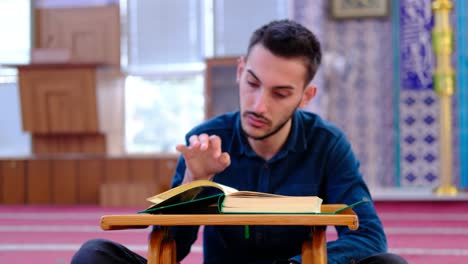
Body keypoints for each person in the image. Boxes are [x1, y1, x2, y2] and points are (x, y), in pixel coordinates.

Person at [71, 19, 407, 264]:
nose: (259, 105)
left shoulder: (327, 144)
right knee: (94, 256)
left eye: (280, 93)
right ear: (240, 69)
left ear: (306, 96)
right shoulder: (205, 141)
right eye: (253, 83)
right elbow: (172, 249)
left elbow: (368, 236)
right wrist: (195, 184)